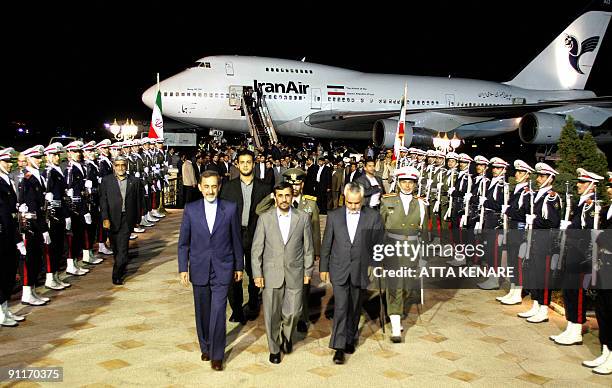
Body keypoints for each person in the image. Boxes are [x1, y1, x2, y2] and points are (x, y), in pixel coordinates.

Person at [178, 170, 244, 371]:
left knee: (217, 311)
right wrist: (183, 268)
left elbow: (236, 240)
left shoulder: (230, 208)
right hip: (198, 268)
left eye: (214, 186)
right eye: (206, 186)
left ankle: (217, 354)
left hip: (222, 268)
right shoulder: (190, 209)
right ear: (199, 187)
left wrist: (239, 266)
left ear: (219, 186)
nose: (210, 190)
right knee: (203, 311)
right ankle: (205, 346)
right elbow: (183, 243)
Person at [320, 182, 384, 364]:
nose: (353, 206)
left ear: (362, 200)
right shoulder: (334, 216)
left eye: (357, 203)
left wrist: (377, 264)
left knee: (354, 307)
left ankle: (350, 337)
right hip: (338, 268)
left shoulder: (373, 217)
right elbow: (326, 244)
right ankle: (338, 347)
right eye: (349, 203)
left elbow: (379, 244)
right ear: (344, 199)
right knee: (340, 307)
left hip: (360, 270)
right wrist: (323, 268)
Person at [251, 182, 314, 364]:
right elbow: (256, 250)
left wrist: (308, 271)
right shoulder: (265, 218)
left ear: (292, 196)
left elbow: (308, 248)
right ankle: (274, 348)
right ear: (275, 197)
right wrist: (257, 274)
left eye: (287, 195)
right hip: (271, 274)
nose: (284, 199)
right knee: (271, 315)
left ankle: (287, 336)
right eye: (280, 196)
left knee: (294, 312)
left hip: (295, 272)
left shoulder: (302, 218)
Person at [255, 168, 321, 333]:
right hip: (278, 259)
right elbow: (259, 210)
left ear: (302, 184)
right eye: (292, 183)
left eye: (297, 183)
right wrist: (273, 196)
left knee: (302, 291)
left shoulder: (310, 203)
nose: (295, 186)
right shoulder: (278, 200)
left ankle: (301, 318)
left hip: (300, 254)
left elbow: (315, 230)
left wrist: (316, 253)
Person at [550, 168, 603, 346]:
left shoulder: (591, 205)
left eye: (582, 182)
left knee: (577, 293)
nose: (578, 185)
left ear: (592, 186)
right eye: (579, 182)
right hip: (572, 253)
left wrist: (570, 229)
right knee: (569, 292)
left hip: (581, 256)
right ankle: (571, 326)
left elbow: (589, 232)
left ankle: (577, 329)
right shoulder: (582, 203)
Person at [219, 149, 271, 322]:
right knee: (234, 272)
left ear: (253, 164)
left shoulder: (264, 188)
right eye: (242, 162)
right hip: (233, 235)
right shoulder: (228, 188)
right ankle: (237, 309)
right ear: (237, 164)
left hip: (255, 235)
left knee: (253, 270)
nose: (246, 165)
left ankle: (254, 303)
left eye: (249, 162)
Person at [380, 165, 429, 343]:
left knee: (408, 287)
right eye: (404, 181)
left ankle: (397, 313)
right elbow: (380, 228)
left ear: (415, 184)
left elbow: (424, 232)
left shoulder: (422, 204)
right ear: (398, 182)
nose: (407, 185)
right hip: (392, 247)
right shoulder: (387, 201)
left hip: (412, 249)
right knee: (395, 287)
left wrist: (424, 256)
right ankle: (395, 324)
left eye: (411, 182)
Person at [517, 162, 561, 324]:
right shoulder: (537, 194)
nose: (538, 179)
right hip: (534, 239)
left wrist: (535, 221)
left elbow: (552, 221)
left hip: (544, 242)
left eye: (542, 176)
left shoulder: (551, 197)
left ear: (550, 179)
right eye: (538, 175)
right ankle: (536, 304)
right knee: (533, 273)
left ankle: (543, 308)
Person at [100, 156, 142, 285]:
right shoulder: (107, 181)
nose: (120, 168)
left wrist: (138, 218)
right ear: (113, 166)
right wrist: (105, 218)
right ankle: (121, 267)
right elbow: (103, 201)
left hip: (127, 219)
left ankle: (116, 275)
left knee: (123, 248)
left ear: (126, 166)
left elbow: (138, 201)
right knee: (116, 248)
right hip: (112, 219)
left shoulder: (134, 181)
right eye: (117, 165)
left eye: (123, 165)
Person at [0, 148, 26, 325]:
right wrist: (17, 238)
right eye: (6, 162)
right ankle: (1, 313)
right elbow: (3, 213)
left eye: (10, 162)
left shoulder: (6, 181)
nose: (10, 164)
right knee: (2, 273)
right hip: (3, 234)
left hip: (10, 231)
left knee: (9, 272)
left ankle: (5, 309)